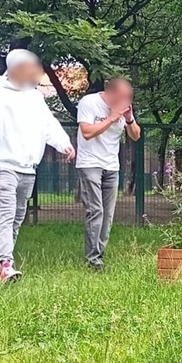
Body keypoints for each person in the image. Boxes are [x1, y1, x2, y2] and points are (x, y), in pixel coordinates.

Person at [0, 49, 75, 282]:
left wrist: (65, 144)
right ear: (16, 69)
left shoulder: (34, 96)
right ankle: (5, 263)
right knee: (7, 214)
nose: (35, 72)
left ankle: (6, 259)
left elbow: (48, 124)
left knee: (18, 216)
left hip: (28, 168)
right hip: (5, 167)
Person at [75, 78, 140, 271]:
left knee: (108, 215)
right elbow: (86, 132)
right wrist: (111, 117)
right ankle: (93, 259)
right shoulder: (89, 102)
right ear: (110, 93)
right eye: (123, 97)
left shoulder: (124, 109)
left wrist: (129, 118)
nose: (126, 100)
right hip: (89, 164)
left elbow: (135, 135)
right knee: (96, 210)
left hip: (112, 166)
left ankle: (98, 254)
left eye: (129, 97)